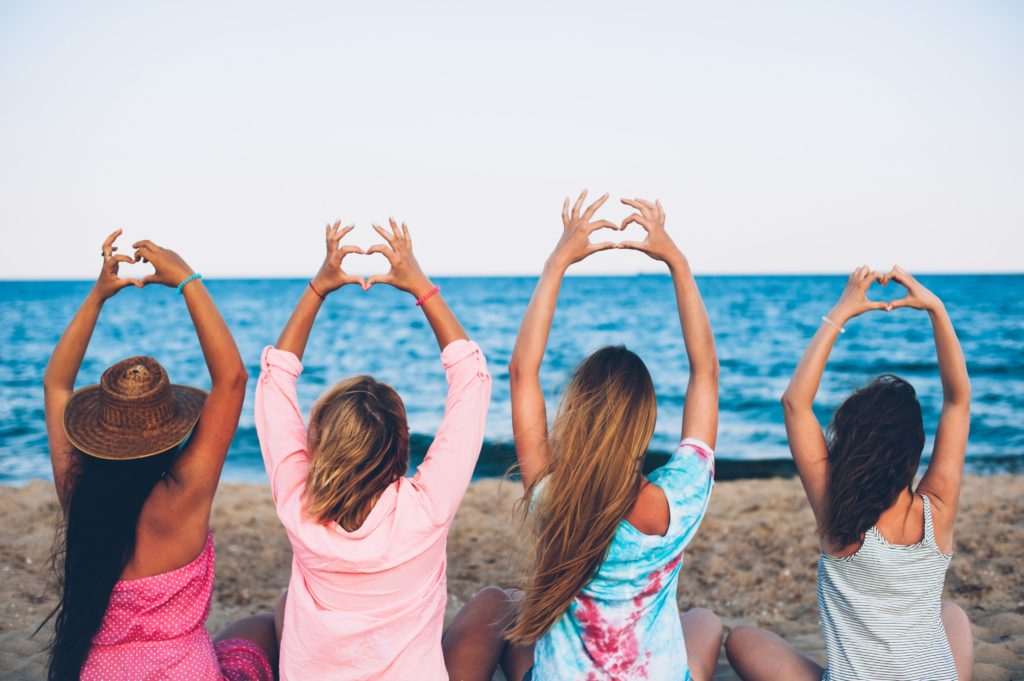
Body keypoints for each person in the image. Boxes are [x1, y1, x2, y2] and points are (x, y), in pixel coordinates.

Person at [443, 192, 723, 681]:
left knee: (500, 605)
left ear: (577, 414)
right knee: (704, 622)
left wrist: (557, 264)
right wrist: (676, 262)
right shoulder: (680, 498)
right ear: (646, 425)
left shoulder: (554, 495)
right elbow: (706, 373)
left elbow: (522, 372)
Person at [255, 220, 491, 680]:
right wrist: (420, 286)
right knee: (497, 604)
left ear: (319, 443)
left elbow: (274, 384)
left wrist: (318, 289)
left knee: (280, 608)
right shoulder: (425, 510)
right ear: (400, 444)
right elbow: (472, 381)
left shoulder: (299, 505)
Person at [42, 230, 275, 681]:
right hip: (185, 672)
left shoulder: (79, 492)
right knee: (260, 629)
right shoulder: (183, 496)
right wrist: (187, 279)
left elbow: (56, 385)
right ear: (169, 433)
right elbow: (232, 379)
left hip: (95, 672)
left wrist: (97, 296)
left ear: (98, 435)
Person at [725, 266, 974, 681]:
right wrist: (937, 309)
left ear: (849, 445)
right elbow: (958, 401)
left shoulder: (839, 515)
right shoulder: (938, 511)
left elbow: (795, 404)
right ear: (914, 452)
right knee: (953, 615)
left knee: (741, 639)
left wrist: (839, 313)